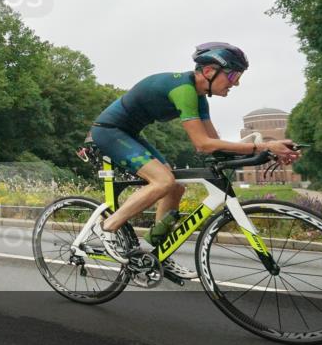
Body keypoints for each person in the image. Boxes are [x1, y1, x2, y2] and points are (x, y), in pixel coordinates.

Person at [88, 42, 300, 279]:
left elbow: (215, 144)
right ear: (209, 71)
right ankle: (107, 228)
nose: (236, 83)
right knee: (163, 182)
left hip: (129, 133)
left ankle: (156, 252)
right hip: (109, 130)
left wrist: (268, 153)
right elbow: (202, 144)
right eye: (233, 75)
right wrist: (262, 145)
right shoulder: (184, 90)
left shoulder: (200, 98)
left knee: (176, 187)